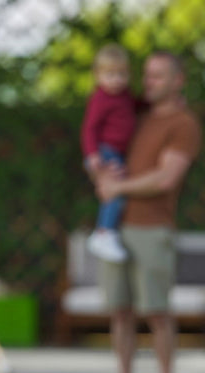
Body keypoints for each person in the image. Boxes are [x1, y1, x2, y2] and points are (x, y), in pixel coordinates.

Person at [89, 50, 201, 373]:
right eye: (147, 76)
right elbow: (103, 149)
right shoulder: (134, 116)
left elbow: (166, 177)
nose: (148, 82)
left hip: (152, 229)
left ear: (177, 81)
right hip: (116, 229)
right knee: (120, 313)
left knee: (157, 312)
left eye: (158, 77)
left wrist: (118, 189)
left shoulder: (183, 124)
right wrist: (101, 172)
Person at [81, 44, 138, 264]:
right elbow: (90, 128)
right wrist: (93, 154)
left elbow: (134, 106)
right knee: (114, 191)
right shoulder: (100, 99)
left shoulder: (124, 96)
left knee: (118, 191)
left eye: (121, 74)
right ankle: (104, 233)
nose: (116, 80)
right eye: (110, 74)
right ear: (98, 76)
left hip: (119, 151)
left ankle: (107, 230)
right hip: (106, 150)